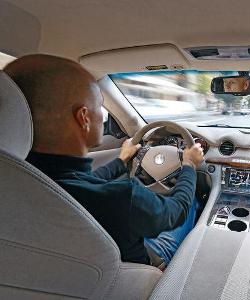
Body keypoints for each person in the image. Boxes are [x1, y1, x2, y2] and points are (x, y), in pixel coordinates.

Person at [4, 54, 204, 269]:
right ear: (84, 118)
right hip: (134, 275)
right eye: (100, 106)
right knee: (191, 201)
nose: (102, 114)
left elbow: (82, 183)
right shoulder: (122, 197)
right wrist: (189, 165)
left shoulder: (18, 183)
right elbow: (175, 212)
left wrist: (121, 160)